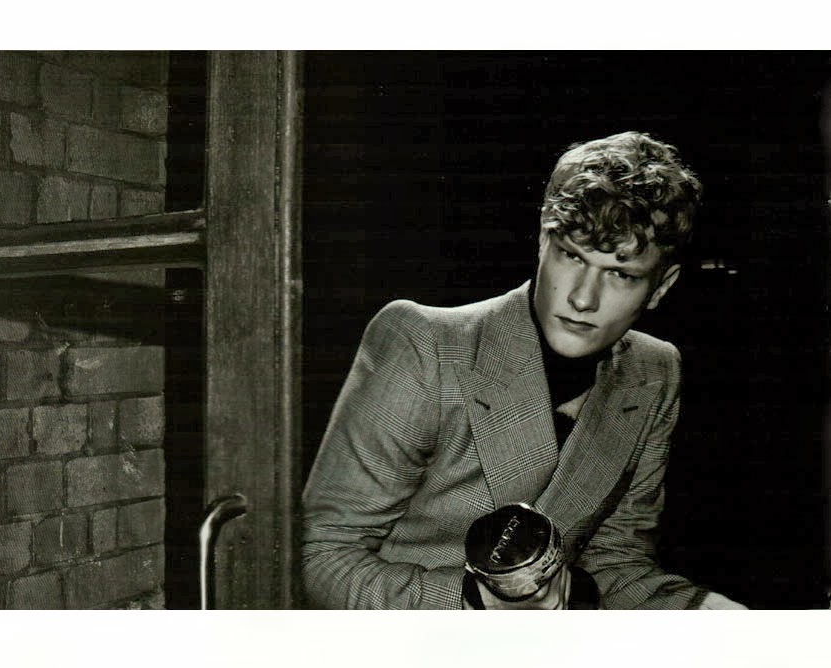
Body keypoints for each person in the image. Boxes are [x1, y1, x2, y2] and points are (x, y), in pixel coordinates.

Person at [302, 130, 745, 610]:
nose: (583, 298)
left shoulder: (654, 371)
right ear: (542, 241)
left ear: (661, 287)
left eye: (620, 274)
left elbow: (612, 564)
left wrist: (703, 609)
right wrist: (476, 602)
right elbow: (320, 557)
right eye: (572, 255)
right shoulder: (424, 344)